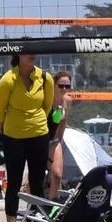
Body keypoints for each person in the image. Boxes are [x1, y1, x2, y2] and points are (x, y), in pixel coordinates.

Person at [0, 50, 58, 222]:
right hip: (14, 136)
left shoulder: (45, 78)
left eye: (34, 51)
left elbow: (47, 108)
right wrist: (19, 122)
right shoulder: (7, 80)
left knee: (38, 181)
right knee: (14, 182)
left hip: (39, 134)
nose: (32, 54)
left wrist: (34, 122)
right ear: (18, 56)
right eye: (27, 52)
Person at [46, 71, 74, 199]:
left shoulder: (67, 101)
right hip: (39, 140)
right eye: (61, 85)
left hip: (54, 140)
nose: (64, 89)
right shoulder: (46, 98)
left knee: (57, 174)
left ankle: (52, 207)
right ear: (54, 84)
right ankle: (32, 206)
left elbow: (63, 123)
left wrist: (58, 143)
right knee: (36, 177)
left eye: (67, 86)